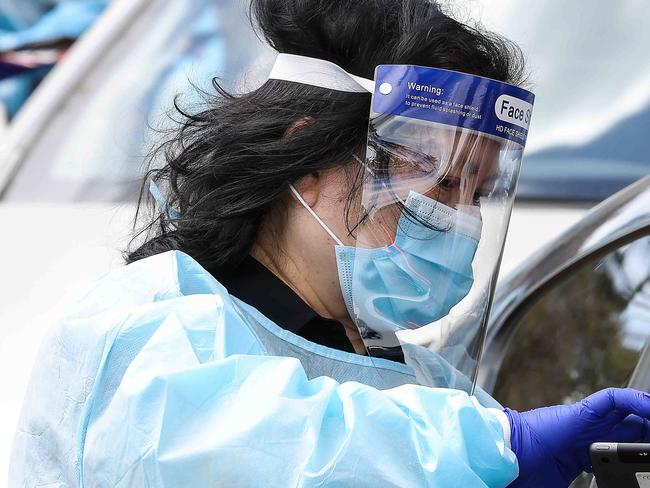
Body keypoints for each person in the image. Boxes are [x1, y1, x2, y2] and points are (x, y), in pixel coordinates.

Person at [9, 0, 650, 487]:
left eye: (474, 194)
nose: (456, 220)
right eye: (433, 181)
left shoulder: (423, 385)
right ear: (307, 157)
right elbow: (263, 448)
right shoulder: (139, 329)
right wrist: (497, 447)